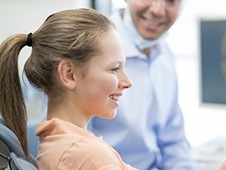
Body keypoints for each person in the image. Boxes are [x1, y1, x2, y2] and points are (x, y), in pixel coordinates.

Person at [88, 0, 226, 170]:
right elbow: (79, 150)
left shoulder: (164, 55)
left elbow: (172, 142)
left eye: (171, 1)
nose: (158, 10)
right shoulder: (90, 50)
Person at [0, 8, 136, 169]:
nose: (128, 82)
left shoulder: (59, 144)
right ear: (69, 74)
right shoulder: (87, 156)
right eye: (114, 69)